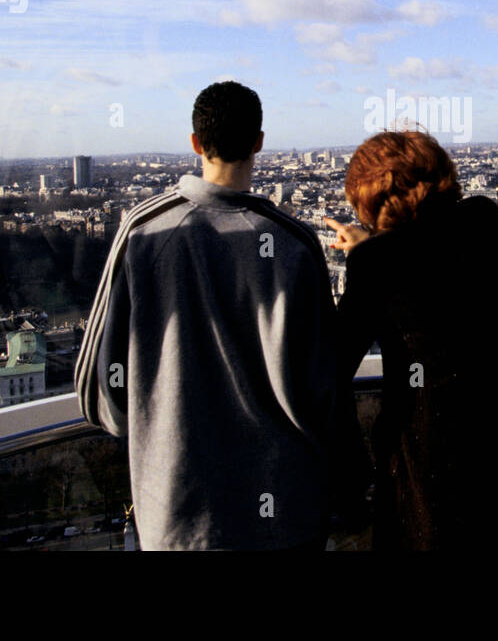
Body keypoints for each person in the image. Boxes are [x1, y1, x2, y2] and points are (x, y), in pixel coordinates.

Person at [75, 81, 341, 550]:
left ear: (195, 143)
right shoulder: (294, 244)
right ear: (259, 142)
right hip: (287, 510)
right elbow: (323, 391)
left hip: (178, 510)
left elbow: (102, 391)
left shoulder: (144, 234)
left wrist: (152, 423)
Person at [326, 130, 498, 550]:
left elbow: (331, 361)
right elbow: (430, 259)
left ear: (373, 199)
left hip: (436, 477)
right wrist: (373, 250)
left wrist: (366, 256)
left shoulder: (376, 264)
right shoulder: (483, 220)